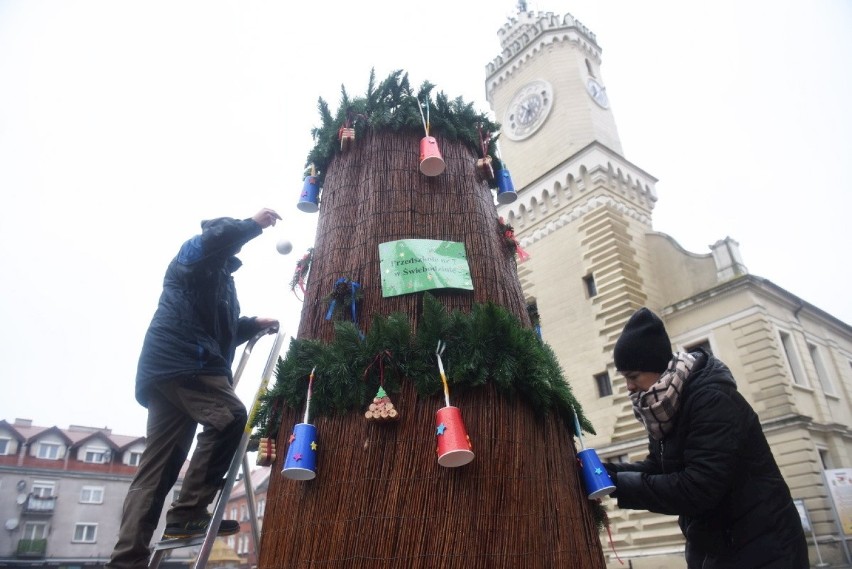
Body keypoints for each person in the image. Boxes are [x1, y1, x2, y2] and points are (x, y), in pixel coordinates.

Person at [106, 208, 282, 569]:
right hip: (186, 361)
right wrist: (253, 224)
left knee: (157, 470)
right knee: (230, 417)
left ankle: (126, 561)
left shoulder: (219, 281)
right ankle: (187, 514)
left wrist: (250, 325)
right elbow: (215, 240)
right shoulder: (191, 255)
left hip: (169, 369)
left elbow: (222, 330)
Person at [604, 307, 808, 569]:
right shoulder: (665, 407)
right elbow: (658, 466)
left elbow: (699, 488)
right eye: (624, 378)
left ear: (657, 368)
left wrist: (618, 484)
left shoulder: (711, 400)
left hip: (762, 549)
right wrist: (606, 472)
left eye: (633, 377)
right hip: (716, 546)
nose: (629, 387)